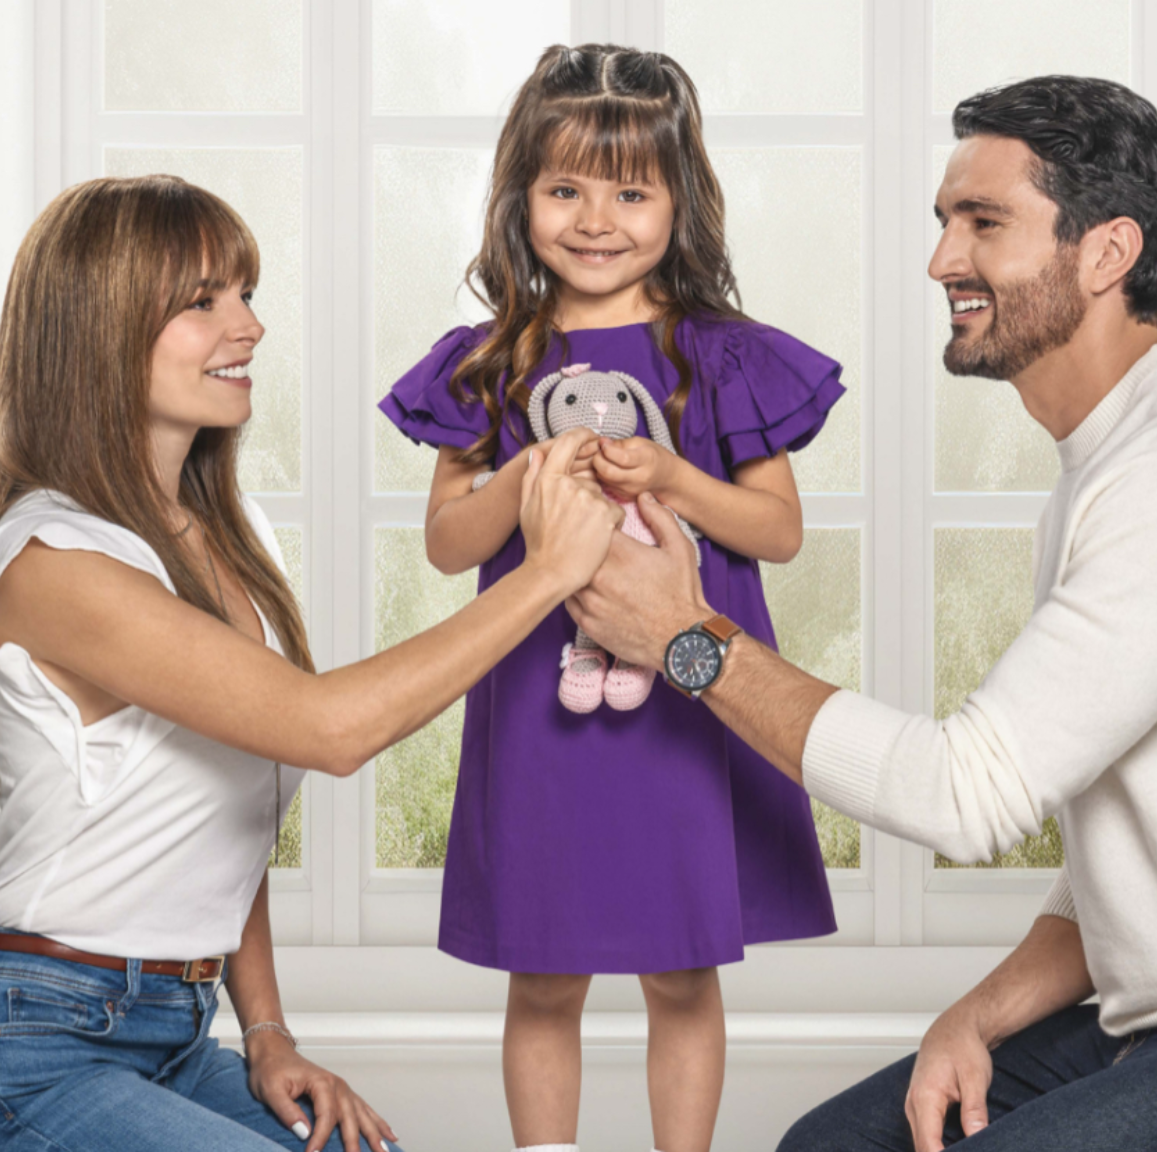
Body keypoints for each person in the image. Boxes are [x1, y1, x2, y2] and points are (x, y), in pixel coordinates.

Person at [570, 76, 1157, 1152]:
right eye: (945, 221)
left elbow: (966, 793)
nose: (940, 260)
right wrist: (982, 1014)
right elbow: (1132, 852)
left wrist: (688, 638)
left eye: (983, 223)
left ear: (1107, 253)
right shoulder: (1107, 463)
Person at [0, 174, 623, 1152]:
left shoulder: (233, 540)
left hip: (173, 1031)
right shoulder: (52, 559)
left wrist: (267, 1033)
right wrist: (546, 575)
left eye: (245, 293)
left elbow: (226, 810)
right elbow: (328, 730)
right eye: (203, 302)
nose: (249, 326)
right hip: (16, 1034)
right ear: (98, 329)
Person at [376, 44, 843, 1152]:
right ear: (520, 198)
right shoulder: (487, 361)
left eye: (631, 193)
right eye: (565, 189)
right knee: (543, 975)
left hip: (687, 702)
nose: (596, 221)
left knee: (681, 971)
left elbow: (775, 530)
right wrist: (523, 481)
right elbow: (447, 542)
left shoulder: (722, 357)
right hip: (541, 711)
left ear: (680, 203)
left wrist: (673, 477)